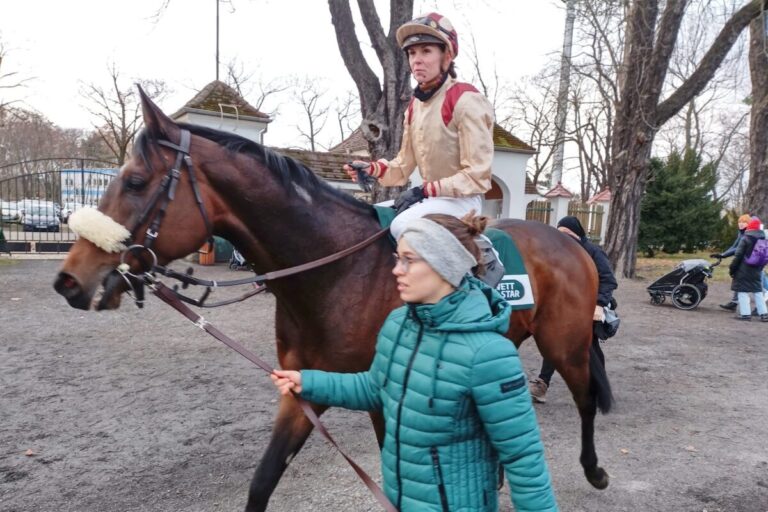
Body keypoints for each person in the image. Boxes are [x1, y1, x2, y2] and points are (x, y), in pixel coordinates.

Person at [271, 214, 559, 512]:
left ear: (444, 265)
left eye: (409, 260)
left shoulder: (489, 353)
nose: (396, 270)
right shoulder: (398, 324)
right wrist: (308, 382)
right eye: (398, 258)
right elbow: (375, 388)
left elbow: (523, 458)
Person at [343, 12, 495, 241]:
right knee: (366, 217)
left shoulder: (466, 99)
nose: (417, 60)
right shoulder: (415, 106)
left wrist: (424, 190)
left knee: (401, 225)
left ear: (447, 56)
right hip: (430, 199)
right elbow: (403, 165)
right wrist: (372, 169)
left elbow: (477, 176)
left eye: (426, 51)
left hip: (463, 202)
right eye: (412, 53)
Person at [529, 216, 617, 404]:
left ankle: (598, 388)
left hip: (588, 308)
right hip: (561, 307)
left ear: (577, 233)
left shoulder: (593, 252)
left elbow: (609, 280)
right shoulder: (556, 252)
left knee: (590, 347)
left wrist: (599, 305)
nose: (563, 237)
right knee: (553, 343)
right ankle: (542, 384)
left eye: (567, 233)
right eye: (559, 233)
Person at [728, 217, 768, 322]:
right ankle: (764, 314)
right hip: (757, 270)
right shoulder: (764, 239)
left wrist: (732, 268)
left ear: (749, 226)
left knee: (742, 291)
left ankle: (745, 314)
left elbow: (738, 255)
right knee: (758, 291)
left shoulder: (745, 238)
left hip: (743, 270)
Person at [714, 214, 752, 310]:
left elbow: (738, 249)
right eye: (740, 222)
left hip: (749, 262)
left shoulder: (748, 234)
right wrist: (723, 254)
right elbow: (734, 246)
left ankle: (757, 308)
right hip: (742, 261)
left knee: (758, 285)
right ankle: (734, 302)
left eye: (744, 222)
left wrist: (723, 255)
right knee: (740, 280)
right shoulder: (741, 233)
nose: (741, 224)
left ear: (749, 223)